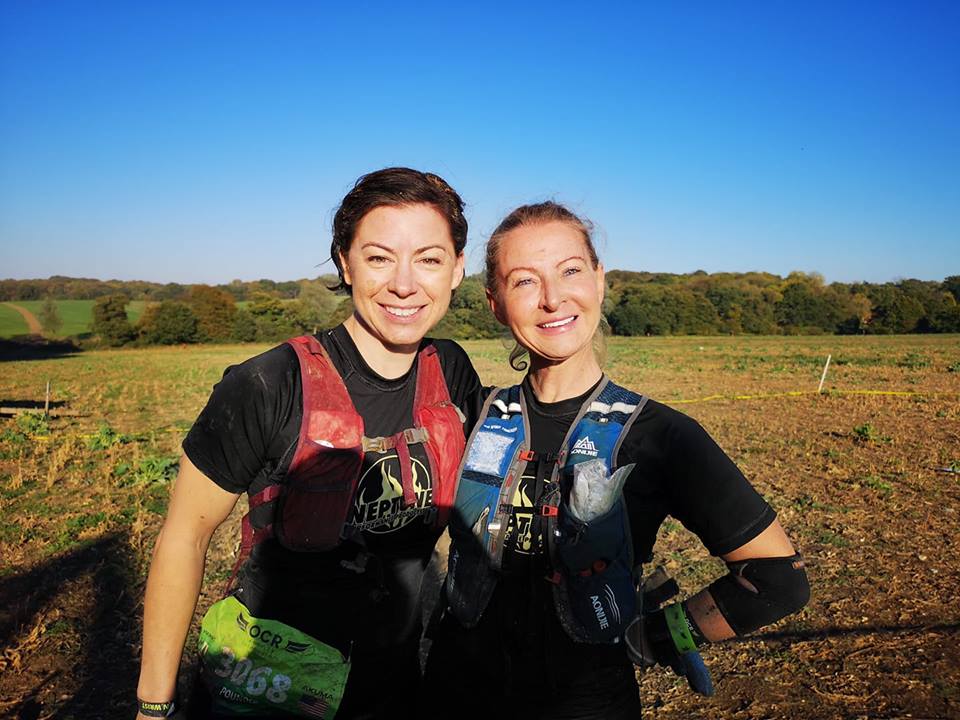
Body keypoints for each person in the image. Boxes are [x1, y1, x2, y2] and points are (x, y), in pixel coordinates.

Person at [423, 202, 810, 718]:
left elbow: (777, 580)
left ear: (599, 281)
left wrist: (654, 637)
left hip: (586, 703)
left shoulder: (661, 434)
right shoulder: (473, 410)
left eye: (570, 271)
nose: (553, 298)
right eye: (524, 282)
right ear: (495, 303)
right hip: (453, 696)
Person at [135, 167, 483, 720]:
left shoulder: (453, 375)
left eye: (430, 258)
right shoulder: (269, 383)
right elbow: (186, 534)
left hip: (391, 689)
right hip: (262, 691)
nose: (404, 282)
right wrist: (154, 705)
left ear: (458, 269)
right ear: (344, 262)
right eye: (378, 257)